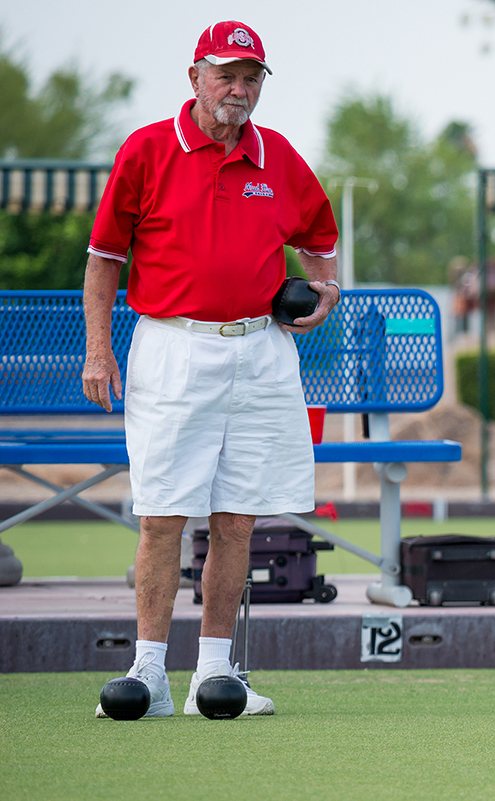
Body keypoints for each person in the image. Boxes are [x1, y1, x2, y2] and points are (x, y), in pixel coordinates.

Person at [82, 20, 340, 718]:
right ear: (194, 75)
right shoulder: (146, 150)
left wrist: (324, 294)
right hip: (173, 346)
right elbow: (105, 258)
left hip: (260, 350)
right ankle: (148, 673)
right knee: (162, 514)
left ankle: (215, 675)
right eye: (226, 74)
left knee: (236, 519)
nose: (239, 88)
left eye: (251, 76)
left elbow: (320, 240)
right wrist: (98, 349)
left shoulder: (278, 156)